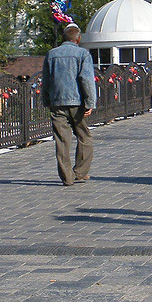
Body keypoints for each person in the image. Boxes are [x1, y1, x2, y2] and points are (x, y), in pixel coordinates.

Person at [42, 23, 97, 185]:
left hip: (57, 102)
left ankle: (67, 176)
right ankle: (79, 172)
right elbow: (86, 79)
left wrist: (47, 101)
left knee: (62, 140)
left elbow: (46, 81)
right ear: (78, 39)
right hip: (77, 103)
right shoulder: (82, 55)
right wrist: (89, 102)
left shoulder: (51, 54)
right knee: (84, 137)